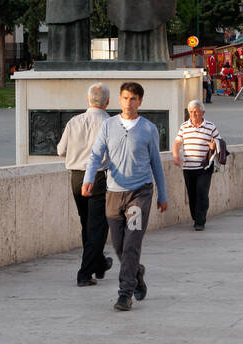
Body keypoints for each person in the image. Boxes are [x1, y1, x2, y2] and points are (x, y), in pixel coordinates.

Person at [83, 81, 168, 312]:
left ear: (140, 101)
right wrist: (88, 178)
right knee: (119, 246)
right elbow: (95, 155)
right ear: (119, 100)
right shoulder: (108, 126)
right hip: (113, 193)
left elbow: (156, 164)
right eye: (125, 98)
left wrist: (163, 194)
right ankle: (136, 272)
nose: (128, 102)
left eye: (133, 99)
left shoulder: (148, 129)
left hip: (139, 193)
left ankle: (125, 294)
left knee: (131, 244)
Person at [57, 83, 114, 286]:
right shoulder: (111, 123)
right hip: (98, 178)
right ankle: (84, 273)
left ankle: (98, 265)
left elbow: (60, 150)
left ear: (88, 100)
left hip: (76, 178)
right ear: (107, 101)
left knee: (86, 224)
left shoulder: (74, 122)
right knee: (98, 227)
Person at [174, 99, 228, 230]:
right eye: (191, 112)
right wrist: (176, 155)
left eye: (196, 112)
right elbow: (177, 143)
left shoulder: (210, 126)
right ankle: (195, 217)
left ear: (202, 112)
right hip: (188, 167)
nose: (193, 114)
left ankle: (200, 221)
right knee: (192, 195)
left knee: (202, 193)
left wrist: (213, 145)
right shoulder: (184, 126)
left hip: (204, 167)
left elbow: (220, 142)